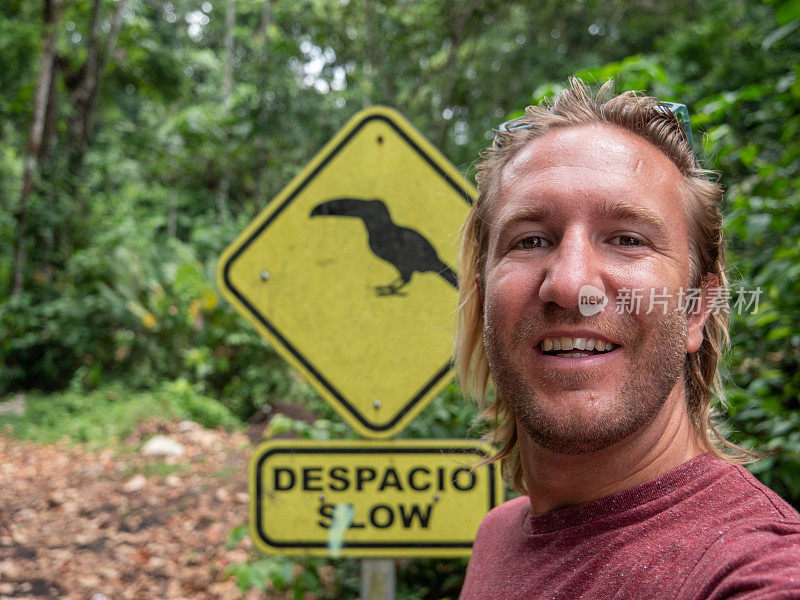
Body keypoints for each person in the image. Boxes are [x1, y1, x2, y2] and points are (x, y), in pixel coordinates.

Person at [455, 78, 800, 600]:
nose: (570, 286)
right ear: (484, 301)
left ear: (695, 309)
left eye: (626, 240)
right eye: (530, 241)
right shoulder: (499, 537)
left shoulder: (753, 569)